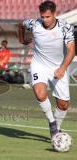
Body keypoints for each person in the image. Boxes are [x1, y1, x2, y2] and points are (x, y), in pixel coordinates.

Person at [18, 0, 75, 138]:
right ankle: (52, 124)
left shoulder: (65, 27)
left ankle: (57, 127)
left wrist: (62, 69)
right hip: (39, 65)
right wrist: (22, 39)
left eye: (47, 17)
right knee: (40, 94)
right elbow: (21, 25)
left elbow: (71, 51)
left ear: (54, 14)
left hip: (58, 67)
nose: (44, 20)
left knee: (63, 105)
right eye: (42, 17)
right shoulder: (34, 23)